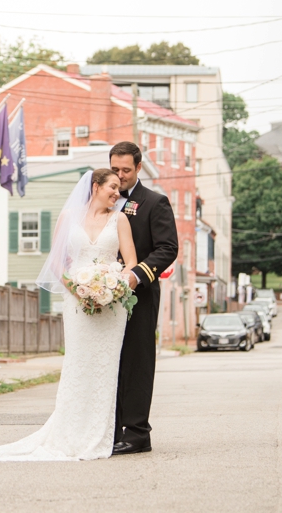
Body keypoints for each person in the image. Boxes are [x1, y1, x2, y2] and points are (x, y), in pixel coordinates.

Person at [0, 168, 138, 461]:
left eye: (119, 189)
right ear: (96, 186)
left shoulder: (120, 220)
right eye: (113, 187)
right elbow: (56, 263)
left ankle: (96, 437)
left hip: (111, 307)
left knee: (105, 370)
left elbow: (130, 263)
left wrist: (112, 287)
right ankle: (68, 436)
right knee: (77, 367)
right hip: (78, 304)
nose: (117, 193)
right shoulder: (69, 218)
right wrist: (79, 289)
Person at [109, 141, 179, 455]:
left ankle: (137, 433)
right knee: (109, 363)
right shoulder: (100, 201)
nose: (120, 176)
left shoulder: (154, 202)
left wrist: (137, 274)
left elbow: (167, 248)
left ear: (139, 168)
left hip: (140, 295)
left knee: (136, 363)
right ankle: (109, 430)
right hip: (102, 297)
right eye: (114, 169)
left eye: (126, 170)